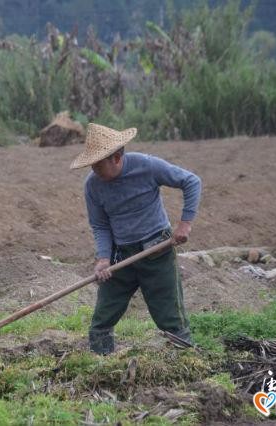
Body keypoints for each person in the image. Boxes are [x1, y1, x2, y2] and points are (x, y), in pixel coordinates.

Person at [70, 123, 202, 355]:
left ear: (117, 158)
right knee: (102, 320)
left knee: (171, 320)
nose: (95, 171)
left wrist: (185, 223)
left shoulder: (147, 166)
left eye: (99, 165)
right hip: (121, 256)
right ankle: (101, 363)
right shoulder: (93, 185)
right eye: (92, 165)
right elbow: (100, 225)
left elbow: (191, 182)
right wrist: (103, 259)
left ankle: (187, 362)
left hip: (157, 251)